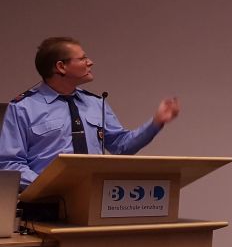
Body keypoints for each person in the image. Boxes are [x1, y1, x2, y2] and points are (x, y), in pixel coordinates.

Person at [0, 37, 180, 189]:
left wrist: (156, 123)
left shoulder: (96, 103)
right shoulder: (23, 107)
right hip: (44, 205)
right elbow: (10, 164)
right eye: (82, 58)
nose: (90, 62)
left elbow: (120, 146)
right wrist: (49, 186)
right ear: (61, 67)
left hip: (94, 201)